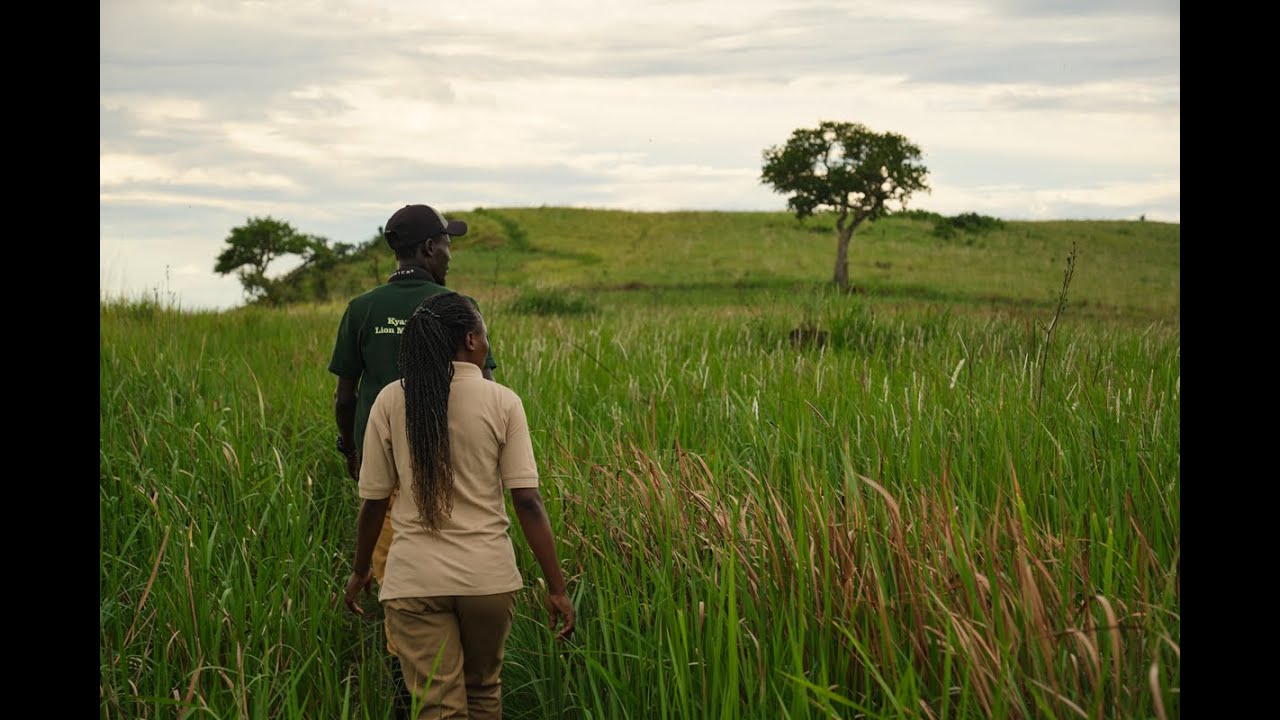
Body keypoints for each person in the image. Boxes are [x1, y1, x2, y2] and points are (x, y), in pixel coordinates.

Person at [343, 291, 575, 720]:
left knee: (437, 707)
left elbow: (374, 504)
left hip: (414, 582)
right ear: (470, 339)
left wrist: (360, 571)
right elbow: (528, 502)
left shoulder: (391, 400)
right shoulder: (503, 401)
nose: (487, 342)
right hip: (487, 579)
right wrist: (557, 588)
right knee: (484, 692)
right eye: (485, 333)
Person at [328, 203, 496, 716]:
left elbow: (345, 396)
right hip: (456, 472)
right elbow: (484, 388)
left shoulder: (361, 308)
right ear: (427, 249)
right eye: (446, 243)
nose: (449, 253)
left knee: (400, 582)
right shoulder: (458, 308)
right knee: (456, 577)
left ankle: (414, 693)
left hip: (388, 473)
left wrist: (351, 450)